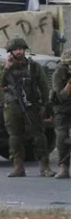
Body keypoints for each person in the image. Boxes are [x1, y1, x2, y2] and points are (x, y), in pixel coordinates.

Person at [0, 37, 55, 178]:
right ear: (11, 52)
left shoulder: (33, 67)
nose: (19, 51)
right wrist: (7, 68)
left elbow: (44, 86)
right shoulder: (4, 68)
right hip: (12, 106)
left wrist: (45, 105)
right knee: (15, 137)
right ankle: (18, 167)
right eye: (16, 49)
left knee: (39, 136)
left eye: (21, 49)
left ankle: (45, 167)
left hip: (31, 105)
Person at [50, 48, 71, 179]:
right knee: (62, 137)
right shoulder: (58, 73)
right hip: (62, 108)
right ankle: (63, 167)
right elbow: (62, 96)